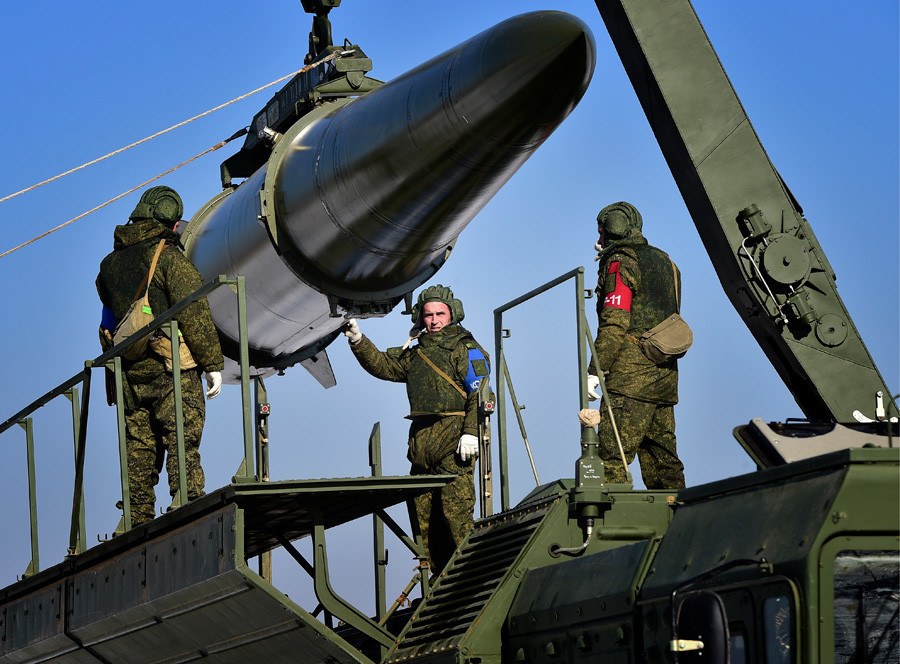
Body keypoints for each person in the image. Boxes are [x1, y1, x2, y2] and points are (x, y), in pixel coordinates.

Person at [96, 185, 224, 526]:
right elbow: (194, 312)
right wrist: (213, 364)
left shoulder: (109, 265)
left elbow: (108, 320)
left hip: (129, 372)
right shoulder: (167, 257)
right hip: (171, 369)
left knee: (139, 446)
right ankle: (187, 502)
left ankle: (138, 519)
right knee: (182, 433)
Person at [344, 284, 490, 574]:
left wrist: (471, 431)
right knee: (424, 525)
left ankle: (464, 580)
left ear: (452, 314)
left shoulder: (466, 348)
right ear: (419, 317)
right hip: (421, 447)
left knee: (456, 519)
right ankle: (435, 581)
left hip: (454, 445)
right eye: (428, 315)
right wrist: (359, 341)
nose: (434, 320)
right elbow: (385, 366)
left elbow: (482, 392)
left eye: (440, 314)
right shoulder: (417, 351)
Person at [587, 201, 685, 489]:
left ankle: (612, 528)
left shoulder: (621, 261)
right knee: (664, 462)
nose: (599, 239)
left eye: (601, 231)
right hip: (665, 377)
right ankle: (676, 524)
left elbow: (615, 323)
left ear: (611, 230)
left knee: (611, 455)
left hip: (629, 379)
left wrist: (596, 368)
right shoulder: (667, 262)